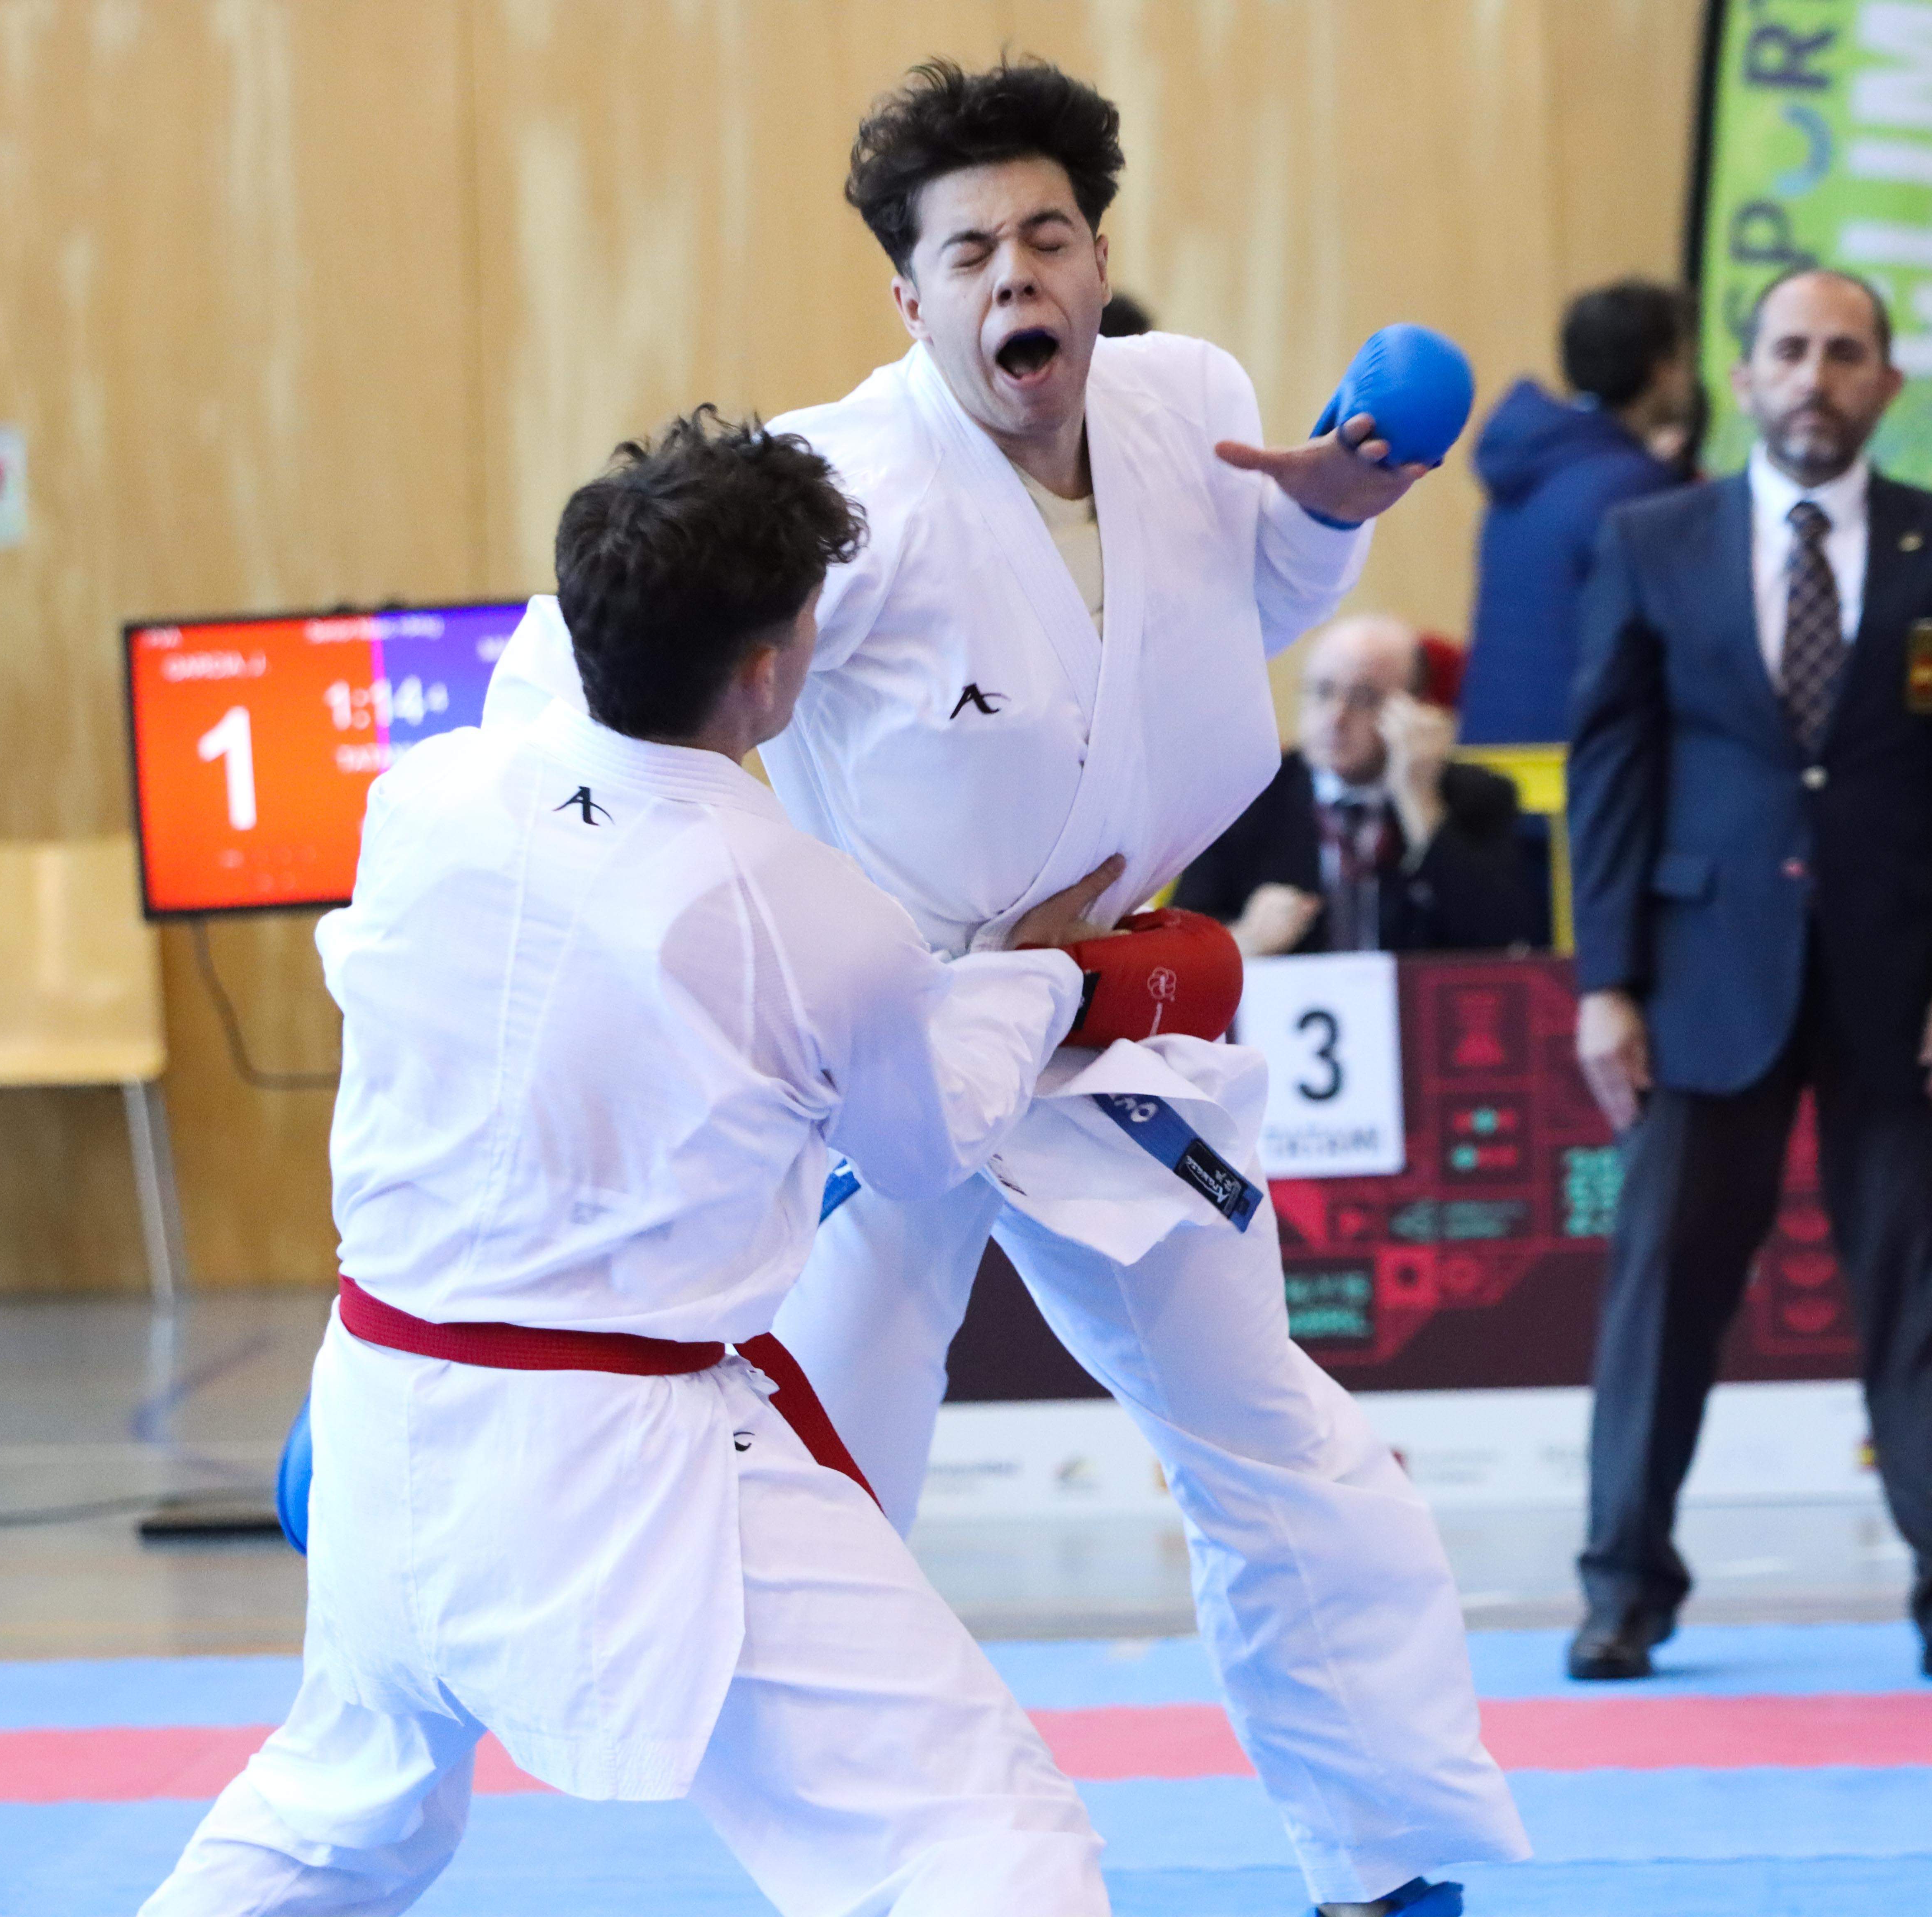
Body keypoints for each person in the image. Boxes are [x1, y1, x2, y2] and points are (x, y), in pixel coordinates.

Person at [494, 58, 1523, 1916]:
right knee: (815, 1477)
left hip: (1101, 1027)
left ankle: (1391, 1870)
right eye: (966, 247)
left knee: (1281, 1441)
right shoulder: (844, 490)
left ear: (1094, 252)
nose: (1010, 272)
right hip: (882, 1040)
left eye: (1044, 231)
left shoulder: (1186, 403)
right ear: (909, 296)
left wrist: (1337, 499)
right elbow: (592, 678)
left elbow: (1243, 613)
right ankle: (865, 1869)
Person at [144, 412, 1117, 1916]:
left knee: (347, 1808)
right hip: (620, 1466)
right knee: (975, 1829)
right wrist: (1045, 977)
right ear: (774, 668)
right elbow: (923, 1145)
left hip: (382, 1408)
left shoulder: (420, 798)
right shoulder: (805, 907)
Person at [1568, 265, 1932, 1684]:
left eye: (1847, 354)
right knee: (1662, 1295)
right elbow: (1610, 769)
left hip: (1899, 989)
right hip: (1699, 976)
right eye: (1791, 348)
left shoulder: (1928, 548)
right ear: (1743, 373)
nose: (1816, 375)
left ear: (1886, 387)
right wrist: (1608, 979)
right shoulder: (1653, 541)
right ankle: (1623, 1588)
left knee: (1920, 1302)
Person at [1175, 613, 1545, 956]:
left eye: (1364, 698)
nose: (1336, 717)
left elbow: (1506, 941)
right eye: (1322, 691)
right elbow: (1180, 954)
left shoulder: (1476, 796)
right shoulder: (1246, 796)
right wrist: (1247, 941)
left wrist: (1420, 801)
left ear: (1413, 710)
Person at [1464, 281, 1698, 745]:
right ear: (1662, 371)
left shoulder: (1530, 467)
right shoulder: (1641, 492)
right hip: (1585, 778)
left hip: (1496, 771)